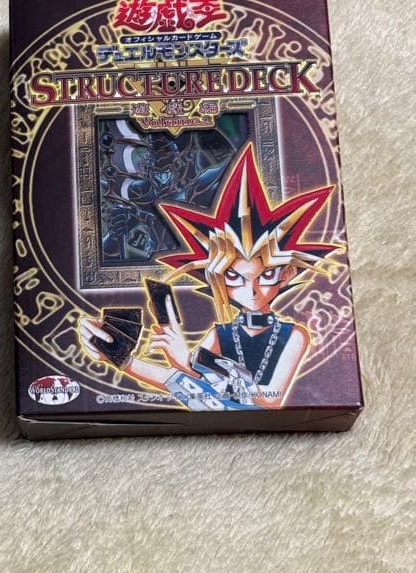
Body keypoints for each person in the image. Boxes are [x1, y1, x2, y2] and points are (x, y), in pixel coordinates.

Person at [80, 143, 339, 410]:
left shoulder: (294, 335)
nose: (251, 290)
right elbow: (183, 383)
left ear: (286, 274)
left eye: (265, 276)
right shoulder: (221, 333)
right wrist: (120, 356)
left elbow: (270, 399)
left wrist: (192, 361)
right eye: (235, 278)